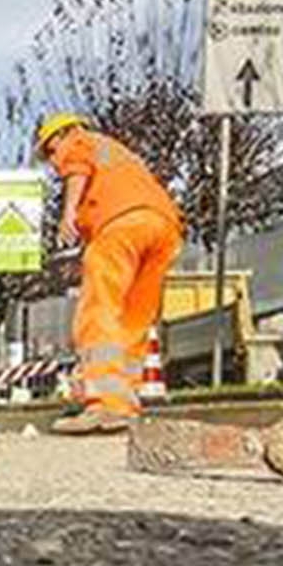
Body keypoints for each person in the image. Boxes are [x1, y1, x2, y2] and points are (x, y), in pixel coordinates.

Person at [37, 113, 184, 435]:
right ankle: (124, 403)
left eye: (49, 151)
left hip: (119, 226)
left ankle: (103, 403)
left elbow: (76, 169)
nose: (52, 160)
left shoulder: (76, 141)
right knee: (134, 319)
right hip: (163, 226)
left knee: (98, 311)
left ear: (61, 134)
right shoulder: (117, 150)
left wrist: (69, 214)